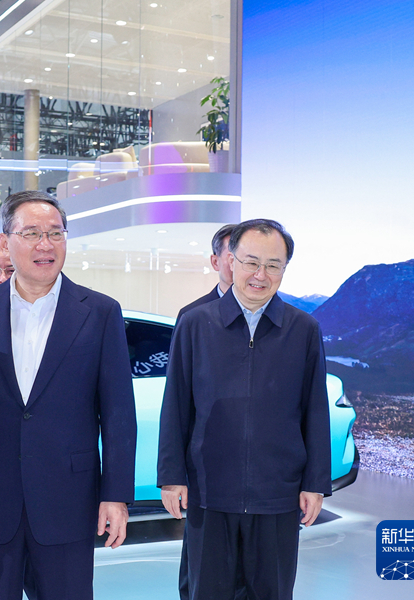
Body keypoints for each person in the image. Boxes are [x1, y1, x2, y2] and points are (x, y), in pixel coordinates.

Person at [0, 190, 137, 600]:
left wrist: (116, 496)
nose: (46, 244)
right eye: (32, 233)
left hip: (69, 498)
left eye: (55, 233)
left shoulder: (100, 312)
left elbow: (118, 413)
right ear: (5, 242)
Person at [158, 219, 331, 600]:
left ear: (284, 269)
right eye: (251, 262)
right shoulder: (195, 323)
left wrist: (315, 483)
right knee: (206, 590)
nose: (260, 275)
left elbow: (316, 411)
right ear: (231, 261)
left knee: (272, 591)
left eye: (273, 265)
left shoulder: (303, 329)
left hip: (278, 493)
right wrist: (171, 476)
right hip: (210, 489)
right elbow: (176, 405)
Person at [175, 223, 243, 600]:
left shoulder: (286, 321)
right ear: (216, 261)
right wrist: (175, 474)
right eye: (234, 255)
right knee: (202, 571)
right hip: (207, 469)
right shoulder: (192, 316)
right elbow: (179, 400)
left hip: (260, 477)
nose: (242, 264)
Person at [177, 223, 235, 321]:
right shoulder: (191, 316)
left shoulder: (262, 311)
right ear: (215, 262)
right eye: (232, 258)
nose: (240, 265)